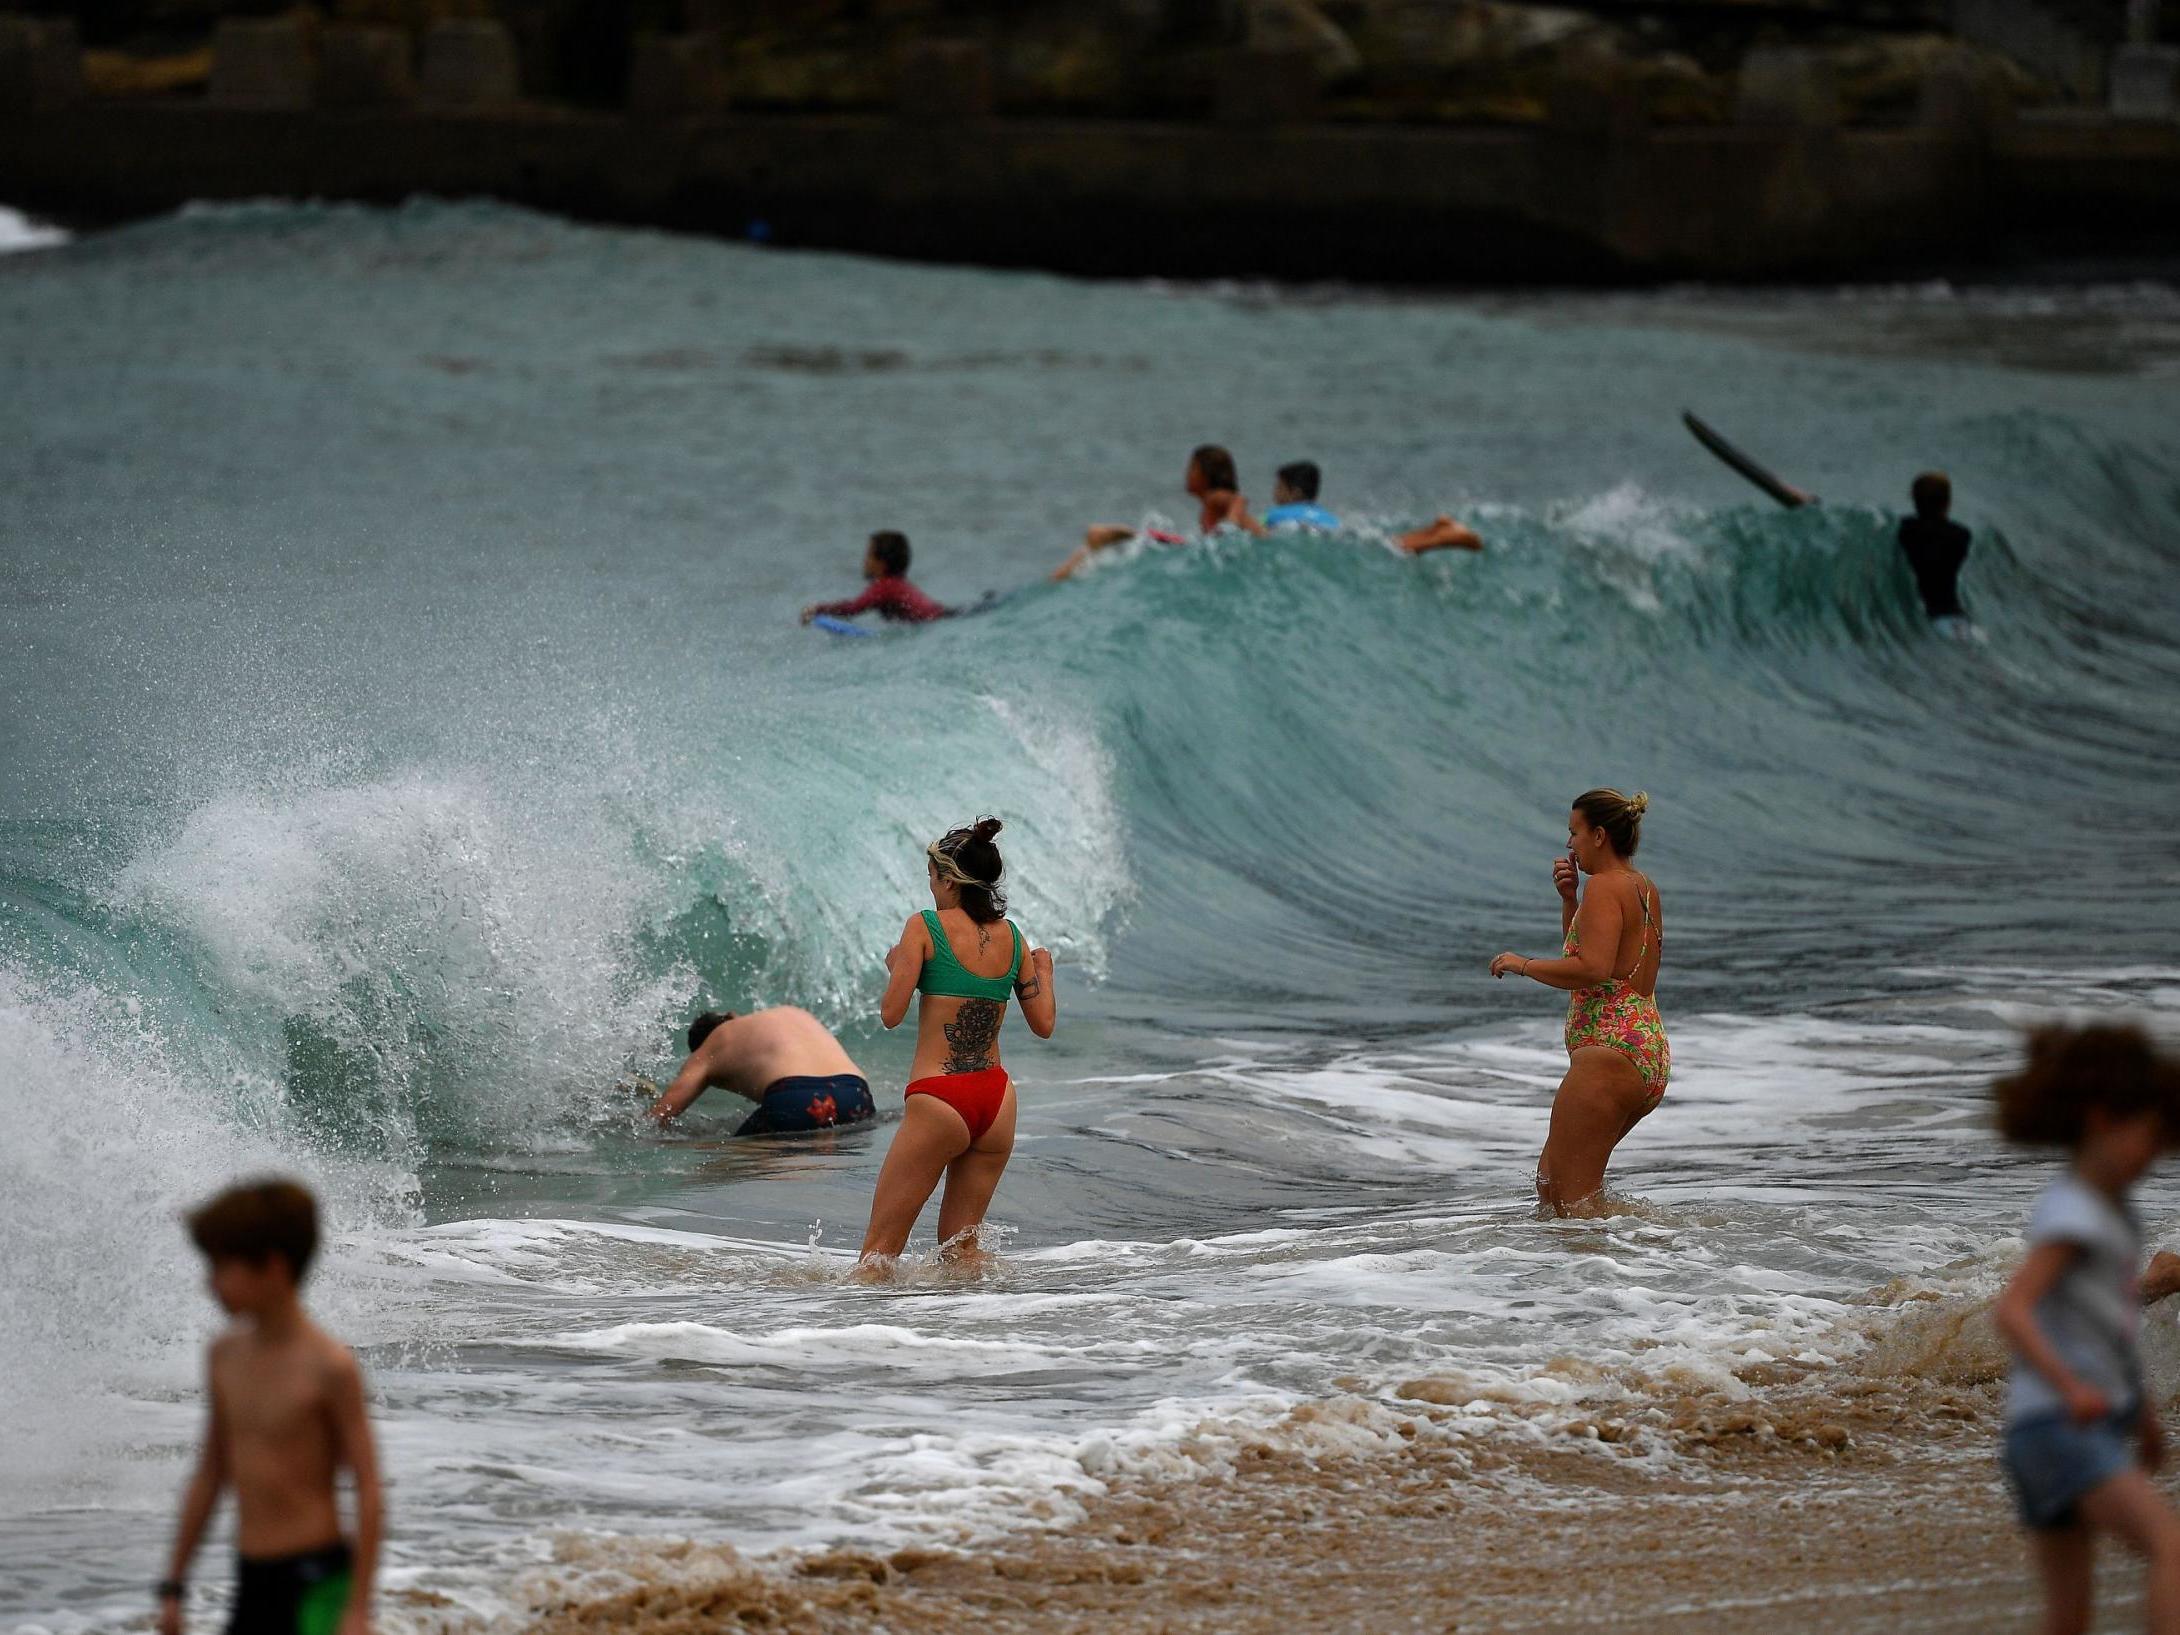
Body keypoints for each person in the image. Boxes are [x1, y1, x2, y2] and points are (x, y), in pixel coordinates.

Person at [1991, 1024, 2180, 1635]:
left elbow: (2112, 1329)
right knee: (2171, 1547)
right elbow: (2014, 1309)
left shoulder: (2108, 1210)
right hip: (2062, 1427)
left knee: (2068, 1618)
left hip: (2038, 1433)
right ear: (2102, 1122)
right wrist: (2072, 1388)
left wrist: (2144, 1418)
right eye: (2150, 1136)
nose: (2158, 1153)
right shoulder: (2077, 1211)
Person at [159, 1179, 382, 1635]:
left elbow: (368, 1485)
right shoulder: (224, 1356)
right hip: (252, 1576)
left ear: (274, 1268)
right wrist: (174, 1586)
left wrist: (358, 1608)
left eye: (223, 1267)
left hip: (317, 1581)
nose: (211, 1284)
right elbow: (210, 1473)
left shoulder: (330, 1367)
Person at [854, 817, 1055, 1277]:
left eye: (932, 877)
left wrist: (899, 966)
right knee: (961, 1255)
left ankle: (856, 1346)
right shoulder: (1015, 937)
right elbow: (1043, 1023)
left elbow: (890, 1014)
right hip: (997, 1102)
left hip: (940, 1099)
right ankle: (969, 1340)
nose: (931, 888)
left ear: (950, 879)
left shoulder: (924, 927)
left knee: (878, 1255)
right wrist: (1045, 973)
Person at [1489, 788, 1667, 1216]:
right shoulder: (1640, 885)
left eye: (1575, 833)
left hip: (1610, 1056)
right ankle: (1627, 1265)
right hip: (1643, 1050)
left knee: (1569, 1203)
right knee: (1553, 1188)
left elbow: (1592, 969)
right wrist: (1570, 902)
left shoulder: (1605, 887)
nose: (1570, 844)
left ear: (1600, 835)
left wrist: (1523, 964)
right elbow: (1600, 959)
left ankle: (1613, 1276)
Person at [646, 1005, 877, 1135]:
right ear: (733, 1015)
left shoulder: (711, 1045)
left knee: (719, 1160)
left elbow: (659, 1116)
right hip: (856, 1095)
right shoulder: (789, 1013)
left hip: (796, 1099)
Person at [1050, 445, 1264, 581]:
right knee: (1093, 543)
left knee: (1096, 538)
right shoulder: (1212, 501)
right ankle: (1059, 578)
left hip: (1193, 548)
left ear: (1207, 474)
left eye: (1192, 469)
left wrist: (1230, 524)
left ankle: (1054, 582)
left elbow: (1239, 500)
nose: (1187, 475)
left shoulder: (1216, 497)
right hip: (1195, 548)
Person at [801, 531, 950, 625]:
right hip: (946, 616)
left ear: (882, 563)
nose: (865, 561)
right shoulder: (897, 584)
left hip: (940, 621)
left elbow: (853, 608)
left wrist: (817, 608)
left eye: (869, 555)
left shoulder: (884, 587)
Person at [1897, 470, 1971, 627]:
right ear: (1948, 502)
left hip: (1924, 615)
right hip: (1954, 614)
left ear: (1915, 500)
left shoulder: (1905, 530)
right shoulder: (1961, 535)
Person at [1263, 461, 1342, 532]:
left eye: (1279, 487)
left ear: (1296, 493)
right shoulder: (1332, 520)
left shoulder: (1276, 514)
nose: (1275, 492)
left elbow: (1259, 532)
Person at [1397, 514, 1484, 554]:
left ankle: (1402, 544)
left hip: (1452, 533)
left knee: (1429, 538)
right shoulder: (1461, 532)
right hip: (1453, 532)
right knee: (1429, 537)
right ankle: (1402, 544)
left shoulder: (1461, 532)